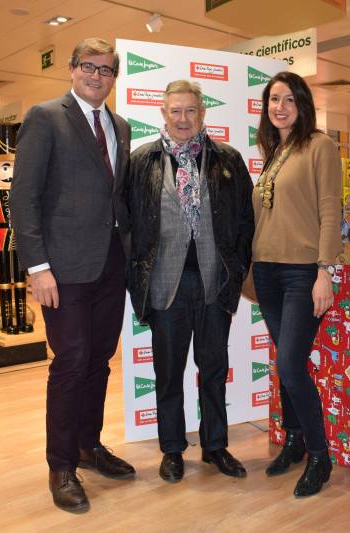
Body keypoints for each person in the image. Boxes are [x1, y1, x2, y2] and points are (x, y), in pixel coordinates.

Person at [10, 37, 134, 513]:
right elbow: (25, 198)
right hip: (61, 271)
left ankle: (88, 446)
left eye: (106, 70)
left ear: (113, 76)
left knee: (100, 358)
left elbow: (115, 199)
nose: (96, 76)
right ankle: (60, 465)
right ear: (71, 69)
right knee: (71, 361)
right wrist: (37, 267)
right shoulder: (46, 118)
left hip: (110, 265)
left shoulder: (119, 126)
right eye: (89, 67)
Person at [126, 80, 254, 483]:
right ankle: (172, 449)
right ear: (163, 114)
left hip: (215, 285)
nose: (183, 119)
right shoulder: (141, 162)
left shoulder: (227, 159)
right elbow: (128, 227)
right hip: (165, 285)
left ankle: (216, 445)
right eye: (175, 111)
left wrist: (234, 275)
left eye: (190, 111)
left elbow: (246, 224)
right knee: (168, 372)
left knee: (214, 368)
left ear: (203, 114)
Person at [252, 71, 342, 497]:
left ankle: (320, 456)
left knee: (290, 365)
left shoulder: (319, 146)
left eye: (288, 99)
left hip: (301, 273)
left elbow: (330, 209)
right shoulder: (274, 152)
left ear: (302, 104)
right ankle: (294, 439)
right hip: (267, 271)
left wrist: (326, 270)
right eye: (273, 99)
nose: (280, 107)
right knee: (285, 365)